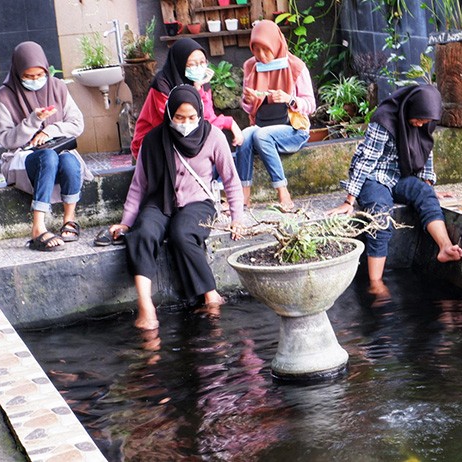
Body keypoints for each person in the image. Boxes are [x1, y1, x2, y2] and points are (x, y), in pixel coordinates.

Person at [108, 85, 245, 330]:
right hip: (159, 201)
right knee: (143, 233)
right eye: (179, 117)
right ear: (170, 113)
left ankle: (210, 294)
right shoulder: (153, 140)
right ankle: (146, 305)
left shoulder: (213, 137)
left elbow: (231, 180)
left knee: (182, 233)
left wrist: (237, 218)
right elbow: (138, 186)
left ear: (200, 113)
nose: (185, 123)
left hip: (198, 202)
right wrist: (126, 223)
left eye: (192, 117)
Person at [326, 84, 462, 300]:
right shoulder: (384, 120)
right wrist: (349, 200)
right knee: (381, 213)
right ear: (410, 108)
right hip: (373, 177)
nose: (421, 124)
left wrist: (428, 185)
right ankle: (376, 282)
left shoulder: (425, 120)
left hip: (400, 175)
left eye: (426, 121)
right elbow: (366, 161)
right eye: (419, 119)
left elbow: (425, 151)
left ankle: (445, 247)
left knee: (425, 194)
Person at [0, 41, 92, 251]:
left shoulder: (58, 87)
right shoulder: (4, 96)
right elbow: (6, 140)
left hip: (58, 149)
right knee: (48, 157)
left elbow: (77, 124)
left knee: (69, 160)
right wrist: (32, 121)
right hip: (24, 156)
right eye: (28, 76)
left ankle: (69, 219)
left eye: (40, 75)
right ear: (18, 72)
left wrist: (49, 131)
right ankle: (38, 227)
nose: (35, 80)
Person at [237, 19, 316, 210]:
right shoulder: (251, 67)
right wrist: (248, 99)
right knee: (244, 135)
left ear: (276, 45)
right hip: (262, 126)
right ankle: (244, 195)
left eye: (266, 49)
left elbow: (311, 105)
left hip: (293, 129)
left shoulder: (295, 66)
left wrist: (290, 99)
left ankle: (283, 192)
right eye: (256, 50)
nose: (261, 56)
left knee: (261, 135)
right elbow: (248, 108)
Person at [130, 38, 243, 159]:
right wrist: (227, 122)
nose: (199, 67)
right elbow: (183, 124)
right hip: (155, 144)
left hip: (184, 141)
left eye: (202, 62)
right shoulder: (163, 85)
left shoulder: (202, 82)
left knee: (216, 139)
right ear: (180, 63)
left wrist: (198, 88)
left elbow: (208, 119)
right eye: (192, 64)